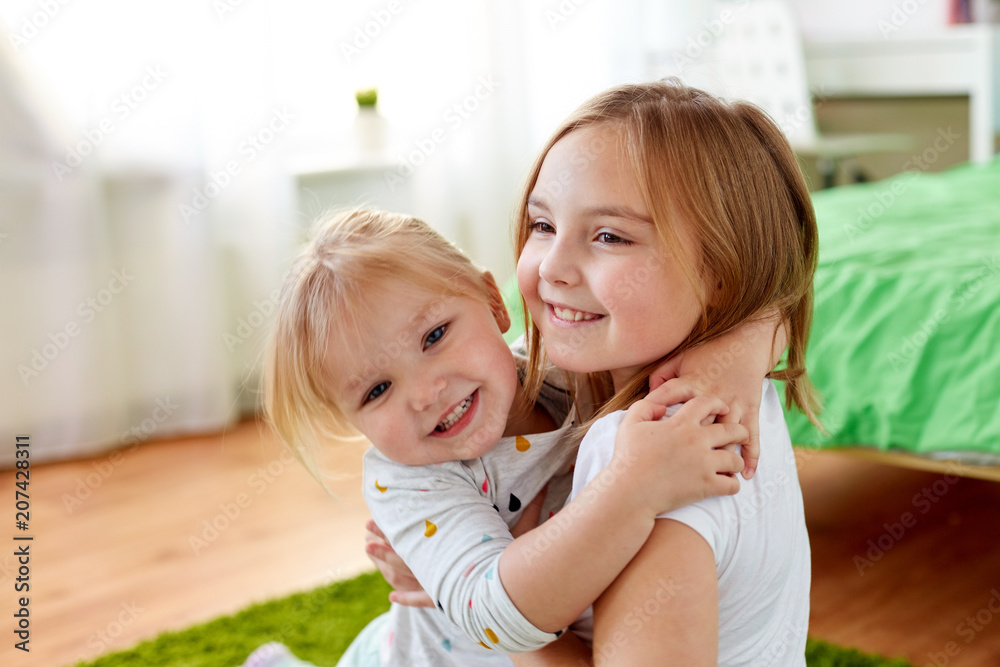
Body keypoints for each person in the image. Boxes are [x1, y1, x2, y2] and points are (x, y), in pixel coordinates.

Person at [372, 79, 818, 666]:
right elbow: (768, 293)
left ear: (724, 274)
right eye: (542, 225)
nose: (554, 266)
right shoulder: (733, 392)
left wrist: (460, 599)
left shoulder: (651, 452)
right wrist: (753, 332)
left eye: (609, 236)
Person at [257, 207, 773, 667]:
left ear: (492, 303)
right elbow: (498, 616)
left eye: (434, 336)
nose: (424, 393)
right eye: (377, 390)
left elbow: (768, 307)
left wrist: (739, 362)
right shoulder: (408, 481)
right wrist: (634, 489)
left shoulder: (572, 367)